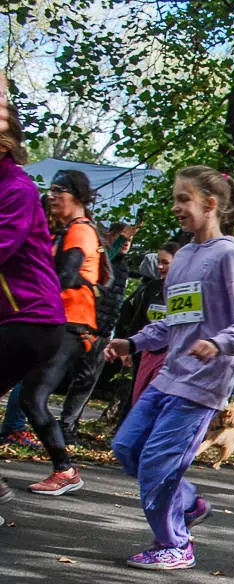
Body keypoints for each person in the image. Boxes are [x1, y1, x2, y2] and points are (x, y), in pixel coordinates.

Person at [104, 165, 234, 570]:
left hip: (202, 386)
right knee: (127, 447)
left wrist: (217, 343)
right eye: (175, 198)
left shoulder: (228, 255)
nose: (175, 207)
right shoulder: (184, 256)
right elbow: (175, 321)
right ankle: (188, 503)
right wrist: (133, 341)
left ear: (210, 205)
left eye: (183, 199)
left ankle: (176, 543)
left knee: (159, 464)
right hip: (168, 376)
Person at [21, 168, 108, 495]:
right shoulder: (73, 230)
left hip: (72, 324)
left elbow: (67, 276)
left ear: (78, 197)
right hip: (61, 323)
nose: (53, 195)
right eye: (51, 189)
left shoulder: (81, 231)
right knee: (30, 396)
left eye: (60, 190)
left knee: (33, 397)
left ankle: (65, 470)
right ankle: (64, 468)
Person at [0, 94, 67, 508]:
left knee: (32, 400)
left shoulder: (17, 188)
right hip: (19, 317)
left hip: (33, 319)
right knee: (30, 400)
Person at [58, 219, 137, 444]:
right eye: (123, 238)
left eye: (130, 240)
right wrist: (119, 239)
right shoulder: (102, 256)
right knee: (53, 374)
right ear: (111, 236)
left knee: (86, 381)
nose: (126, 243)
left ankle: (67, 425)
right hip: (80, 327)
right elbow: (106, 260)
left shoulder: (123, 265)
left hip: (102, 332)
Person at [116, 242, 178, 414]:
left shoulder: (186, 291)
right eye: (159, 261)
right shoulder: (152, 288)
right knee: (136, 401)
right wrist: (130, 346)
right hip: (145, 352)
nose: (159, 266)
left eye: (165, 262)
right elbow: (137, 319)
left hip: (170, 358)